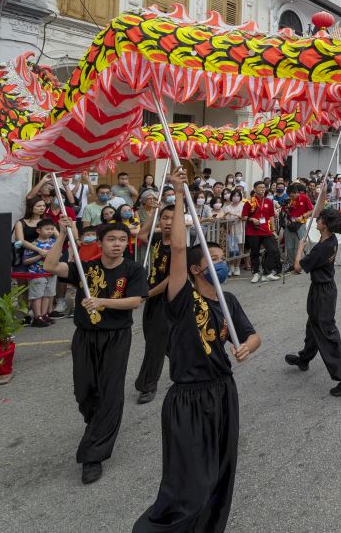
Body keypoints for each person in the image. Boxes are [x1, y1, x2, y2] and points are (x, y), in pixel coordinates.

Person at [134, 169, 259, 533]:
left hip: (223, 392)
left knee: (220, 474)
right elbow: (175, 248)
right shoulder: (180, 297)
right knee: (190, 486)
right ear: (194, 267)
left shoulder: (228, 299)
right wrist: (177, 190)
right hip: (188, 400)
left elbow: (252, 336)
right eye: (210, 256)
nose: (218, 261)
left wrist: (247, 348)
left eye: (220, 256)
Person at [41, 217, 147, 485]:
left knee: (110, 393)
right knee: (84, 390)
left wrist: (102, 301)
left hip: (115, 336)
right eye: (112, 240)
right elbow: (50, 265)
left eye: (122, 240)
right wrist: (63, 234)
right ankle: (97, 423)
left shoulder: (133, 270)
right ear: (99, 243)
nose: (118, 245)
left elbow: (134, 301)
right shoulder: (85, 267)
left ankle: (93, 456)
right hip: (85, 336)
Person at [284, 207, 341, 397]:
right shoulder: (329, 240)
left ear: (324, 225)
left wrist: (300, 248)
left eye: (319, 220)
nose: (316, 222)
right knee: (313, 325)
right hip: (322, 289)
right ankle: (304, 358)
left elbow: (298, 267)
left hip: (323, 292)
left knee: (326, 331)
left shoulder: (323, 247)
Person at [134, 204, 174, 405]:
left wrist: (146, 294)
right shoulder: (157, 239)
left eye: (172, 218)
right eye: (165, 218)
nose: (168, 222)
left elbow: (171, 279)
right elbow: (141, 234)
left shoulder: (178, 245)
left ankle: (147, 385)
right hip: (152, 296)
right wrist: (154, 215)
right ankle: (188, 362)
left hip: (168, 299)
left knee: (155, 344)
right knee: (156, 338)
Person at [21, 218, 59, 327]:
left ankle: (44, 315)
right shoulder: (34, 244)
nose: (50, 231)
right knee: (37, 295)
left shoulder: (54, 242)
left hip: (51, 273)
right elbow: (26, 261)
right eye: (47, 229)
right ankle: (37, 317)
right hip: (37, 274)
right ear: (38, 230)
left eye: (52, 229)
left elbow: (59, 255)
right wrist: (39, 255)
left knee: (48, 294)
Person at [244, 180, 281, 283]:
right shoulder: (249, 202)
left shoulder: (269, 201)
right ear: (255, 189)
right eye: (260, 187)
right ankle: (255, 273)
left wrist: (273, 231)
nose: (262, 189)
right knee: (254, 253)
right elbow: (243, 217)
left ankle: (267, 273)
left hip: (266, 231)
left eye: (264, 187)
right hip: (253, 232)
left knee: (273, 250)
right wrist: (252, 219)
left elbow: (272, 217)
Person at [283, 182, 313, 275]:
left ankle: (300, 264)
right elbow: (284, 211)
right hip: (290, 224)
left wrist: (303, 217)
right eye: (290, 196)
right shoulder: (288, 200)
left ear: (296, 193)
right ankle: (292, 264)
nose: (291, 198)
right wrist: (286, 219)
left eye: (293, 196)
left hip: (300, 224)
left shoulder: (304, 198)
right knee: (289, 245)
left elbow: (311, 210)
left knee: (299, 244)